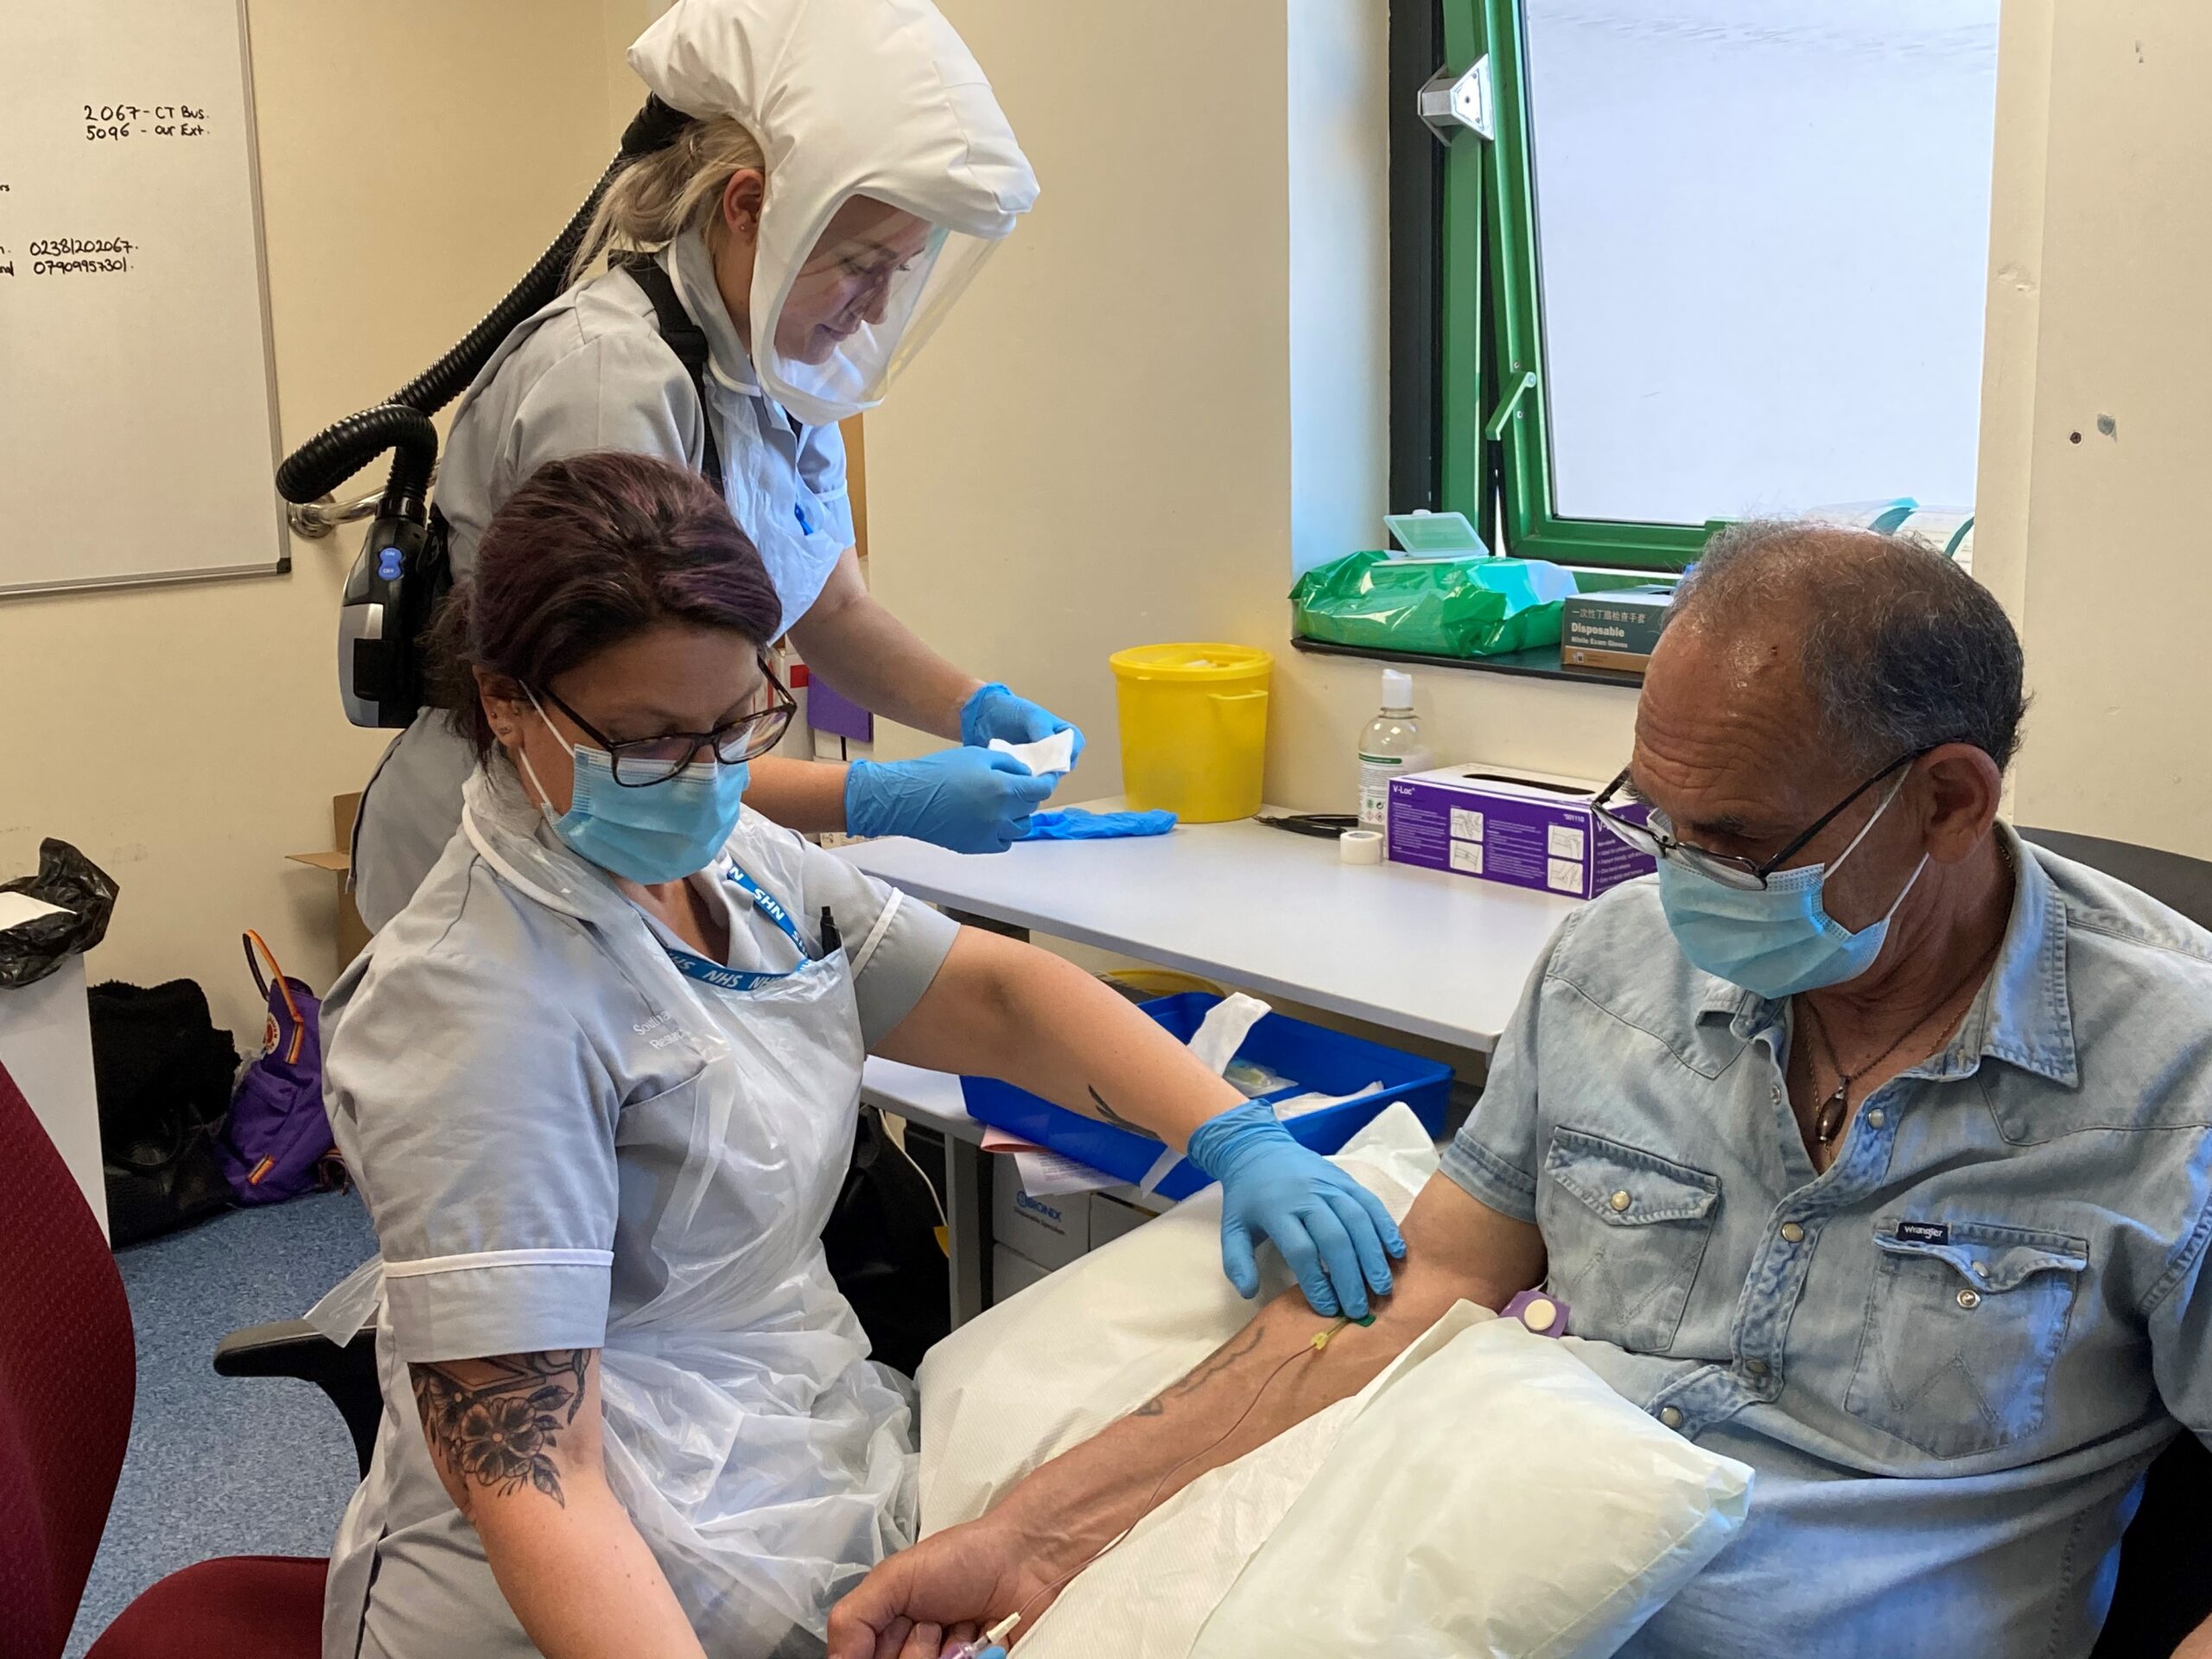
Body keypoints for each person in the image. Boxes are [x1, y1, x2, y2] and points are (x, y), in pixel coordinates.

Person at [830, 522, 2212, 1659]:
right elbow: (1407, 1298)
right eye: (1655, 817)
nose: (1680, 882)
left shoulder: (2175, 1086)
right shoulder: (1617, 968)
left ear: (1951, 802)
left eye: (1731, 841)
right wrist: (1035, 1537)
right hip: (1497, 1598)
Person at [315, 451, 1403, 1659]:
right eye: (647, 740)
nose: (705, 775)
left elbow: (991, 997)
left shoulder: (727, 867)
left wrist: (1236, 1135)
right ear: (507, 703)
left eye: (735, 725)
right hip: (572, 1592)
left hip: (781, 1463)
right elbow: (534, 1480)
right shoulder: (471, 1006)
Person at [353, 0, 1077, 934]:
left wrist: (978, 711)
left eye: (901, 272)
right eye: (859, 262)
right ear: (749, 208)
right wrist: (874, 799)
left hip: (641, 828)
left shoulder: (772, 367)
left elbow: (833, 607)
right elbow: (613, 732)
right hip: (511, 852)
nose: (870, 308)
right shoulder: (611, 376)